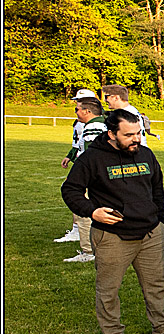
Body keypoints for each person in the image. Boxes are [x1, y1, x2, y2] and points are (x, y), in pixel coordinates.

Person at [60, 109, 164, 334]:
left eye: (138, 133)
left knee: (157, 284)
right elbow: (70, 190)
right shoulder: (92, 159)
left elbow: (157, 189)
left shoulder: (145, 154)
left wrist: (160, 221)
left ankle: (162, 328)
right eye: (129, 135)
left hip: (150, 233)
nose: (136, 139)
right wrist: (92, 211)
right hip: (113, 236)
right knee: (109, 289)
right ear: (111, 133)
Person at [102, 84, 164, 245]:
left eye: (107, 97)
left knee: (140, 197)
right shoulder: (129, 112)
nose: (105, 100)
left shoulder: (127, 115)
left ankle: (160, 231)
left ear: (115, 97)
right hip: (136, 158)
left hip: (136, 159)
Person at [59, 96, 108, 263]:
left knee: (84, 211)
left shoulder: (94, 126)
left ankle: (88, 251)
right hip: (94, 174)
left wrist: (83, 176)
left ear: (87, 111)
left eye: (77, 109)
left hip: (91, 176)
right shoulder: (94, 125)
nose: (76, 112)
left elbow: (93, 155)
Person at [55, 89, 101, 245]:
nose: (76, 106)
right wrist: (70, 155)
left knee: (81, 199)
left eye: (78, 105)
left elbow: (91, 150)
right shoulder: (83, 122)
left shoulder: (92, 123)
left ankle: (88, 244)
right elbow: (78, 143)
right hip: (85, 164)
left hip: (89, 168)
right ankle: (78, 230)